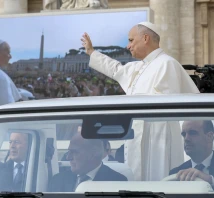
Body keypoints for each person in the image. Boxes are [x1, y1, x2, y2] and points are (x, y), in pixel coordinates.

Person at [81, 22, 200, 181]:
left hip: (158, 144)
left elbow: (170, 112)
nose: (128, 45)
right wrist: (92, 52)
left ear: (145, 38)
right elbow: (116, 69)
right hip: (138, 139)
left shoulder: (166, 64)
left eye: (131, 40)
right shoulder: (139, 67)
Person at [48, 133, 127, 192]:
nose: (68, 157)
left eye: (74, 152)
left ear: (93, 153)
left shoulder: (117, 181)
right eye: (69, 152)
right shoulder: (57, 181)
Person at [169, 120, 214, 185]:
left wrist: (210, 180)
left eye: (192, 133)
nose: (186, 139)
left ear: (209, 137)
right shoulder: (175, 173)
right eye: (184, 134)